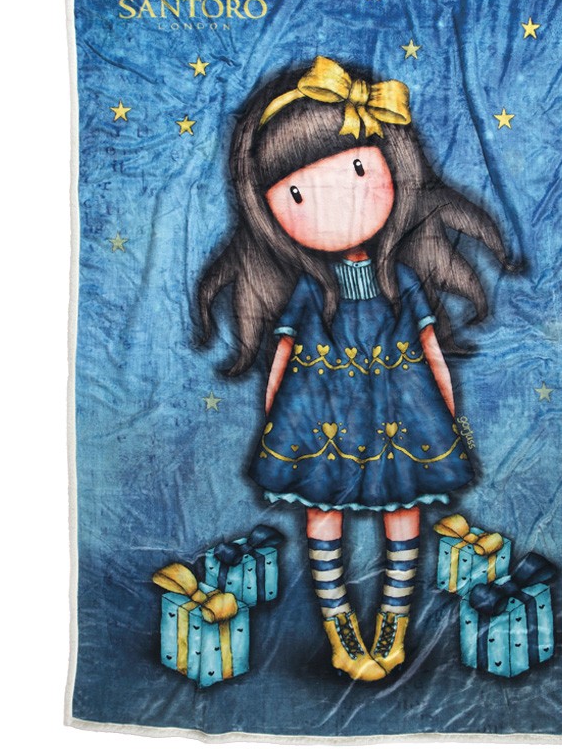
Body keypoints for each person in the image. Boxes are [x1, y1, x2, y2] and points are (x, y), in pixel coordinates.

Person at [198, 56, 514, 681]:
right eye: (297, 194)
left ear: (392, 167)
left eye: (358, 170)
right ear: (269, 208)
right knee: (324, 511)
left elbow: (429, 349)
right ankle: (341, 626)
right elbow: (284, 355)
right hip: (321, 416)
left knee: (405, 508)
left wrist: (447, 412)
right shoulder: (310, 293)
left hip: (401, 409)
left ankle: (392, 622)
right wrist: (275, 416)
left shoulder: (401, 283)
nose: (332, 205)